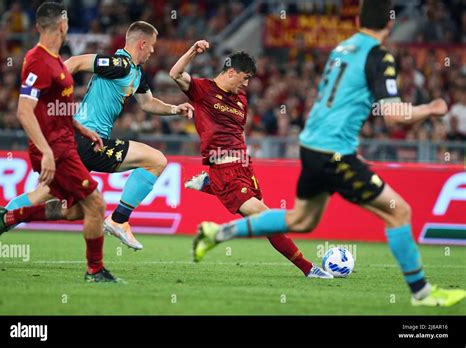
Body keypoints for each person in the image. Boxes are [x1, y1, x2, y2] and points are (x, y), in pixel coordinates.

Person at [192, 0, 465, 306]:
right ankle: (422, 293)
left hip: (313, 145)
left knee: (301, 220)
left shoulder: (341, 50)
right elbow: (393, 115)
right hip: (334, 151)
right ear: (389, 25)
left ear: (359, 19)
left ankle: (217, 233)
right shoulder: (378, 56)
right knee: (399, 212)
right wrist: (430, 108)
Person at [3, 21, 194, 250]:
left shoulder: (136, 73)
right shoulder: (119, 63)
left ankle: (1, 219)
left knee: (60, 203)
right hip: (88, 141)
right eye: (152, 46)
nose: (153, 51)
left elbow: (148, 103)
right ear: (142, 44)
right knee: (156, 160)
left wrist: (175, 110)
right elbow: (75, 62)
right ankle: (119, 220)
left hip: (76, 142)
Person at [170, 41, 332, 278]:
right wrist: (193, 51)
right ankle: (308, 269)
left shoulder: (241, 100)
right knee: (268, 218)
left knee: (265, 223)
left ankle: (210, 185)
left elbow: (236, 132)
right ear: (231, 72)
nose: (246, 84)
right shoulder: (203, 90)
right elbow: (175, 73)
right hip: (224, 168)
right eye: (244, 78)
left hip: (245, 167)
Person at [0, 2, 121, 282]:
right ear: (62, 25)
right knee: (97, 205)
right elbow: (24, 110)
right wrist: (47, 152)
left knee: (77, 211)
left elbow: (53, 108)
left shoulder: (57, 63)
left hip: (65, 145)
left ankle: (6, 218)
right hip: (56, 151)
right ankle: (95, 271)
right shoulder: (38, 60)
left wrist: (82, 129)